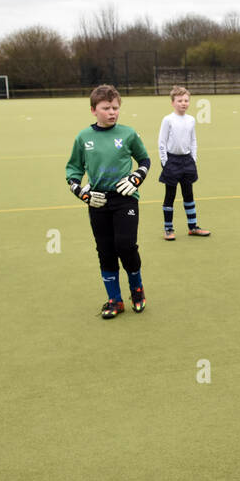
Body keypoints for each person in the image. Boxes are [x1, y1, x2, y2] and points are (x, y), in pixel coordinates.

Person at [64, 84, 152, 318]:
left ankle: (137, 289)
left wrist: (136, 178)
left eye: (115, 108)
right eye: (106, 108)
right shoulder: (84, 137)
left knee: (126, 246)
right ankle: (115, 299)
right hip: (98, 202)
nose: (112, 112)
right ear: (94, 110)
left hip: (125, 198)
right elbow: (73, 170)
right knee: (105, 250)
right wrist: (82, 193)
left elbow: (144, 159)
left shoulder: (128, 133)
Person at [158, 86, 211, 241]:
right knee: (170, 195)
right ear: (173, 102)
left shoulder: (191, 120)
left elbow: (193, 140)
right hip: (172, 161)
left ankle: (192, 227)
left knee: (188, 194)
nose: (183, 103)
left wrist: (193, 158)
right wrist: (164, 162)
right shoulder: (168, 120)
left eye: (186, 100)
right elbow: (162, 142)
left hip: (187, 161)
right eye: (180, 100)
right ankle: (168, 229)